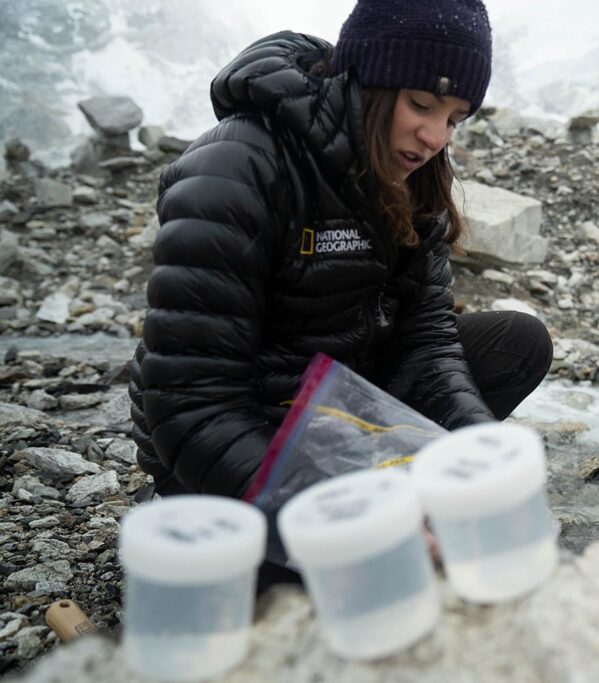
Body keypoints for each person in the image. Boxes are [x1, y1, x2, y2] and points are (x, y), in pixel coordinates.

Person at [128, 0, 552, 512]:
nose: (436, 138)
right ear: (369, 81)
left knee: (517, 342)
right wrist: (321, 513)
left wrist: (480, 450)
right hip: (240, 427)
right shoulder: (236, 170)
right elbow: (191, 404)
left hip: (342, 407)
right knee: (338, 572)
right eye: (421, 104)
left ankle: (385, 489)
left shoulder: (415, 183)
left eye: (454, 120)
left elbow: (428, 343)